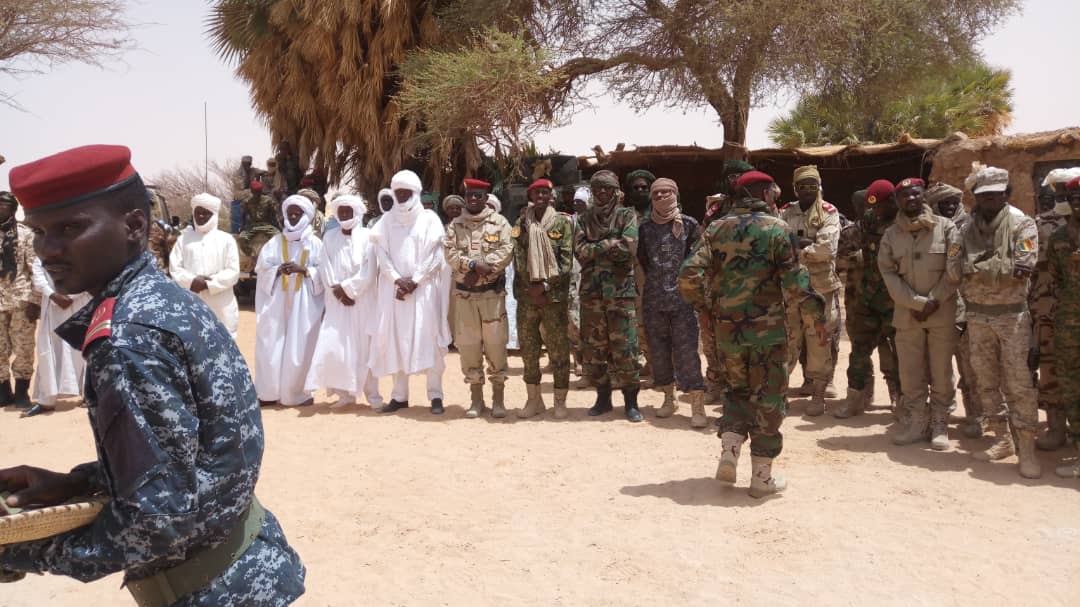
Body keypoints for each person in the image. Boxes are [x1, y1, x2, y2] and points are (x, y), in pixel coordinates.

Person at [0, 144, 305, 603]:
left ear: (134, 226)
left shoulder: (126, 337)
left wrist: (24, 550)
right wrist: (81, 484)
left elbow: (157, 524)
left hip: (209, 590)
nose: (48, 249)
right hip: (248, 570)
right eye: (39, 231)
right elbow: (189, 456)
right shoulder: (159, 298)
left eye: (70, 228)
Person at [679, 171, 825, 498]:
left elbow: (689, 274)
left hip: (728, 332)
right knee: (769, 399)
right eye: (773, 192)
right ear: (764, 193)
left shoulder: (715, 229)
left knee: (736, 392)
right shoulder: (777, 230)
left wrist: (704, 305)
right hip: (768, 333)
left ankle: (729, 451)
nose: (776, 197)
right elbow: (795, 282)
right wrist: (816, 316)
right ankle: (761, 477)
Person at [955, 166, 1041, 478]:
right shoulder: (965, 228)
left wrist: (974, 266)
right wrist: (990, 267)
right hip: (977, 316)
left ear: (1006, 194)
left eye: (996, 194)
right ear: (976, 198)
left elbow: (1022, 268)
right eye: (983, 195)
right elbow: (954, 270)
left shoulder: (1022, 224)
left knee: (1019, 383)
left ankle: (1027, 448)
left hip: (1012, 316)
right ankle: (1003, 439)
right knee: (985, 381)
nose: (990, 200)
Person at [877, 178, 961, 450]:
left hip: (941, 312)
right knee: (911, 372)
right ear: (898, 201)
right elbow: (887, 273)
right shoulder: (891, 235)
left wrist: (933, 300)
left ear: (923, 196)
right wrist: (916, 303)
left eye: (915, 194)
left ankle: (940, 423)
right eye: (904, 196)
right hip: (907, 314)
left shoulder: (946, 228)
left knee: (941, 370)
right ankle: (917, 421)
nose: (910, 200)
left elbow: (954, 269)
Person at [369, 170, 451, 415]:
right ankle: (399, 396)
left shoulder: (430, 219)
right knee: (396, 342)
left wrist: (415, 281)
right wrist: (396, 280)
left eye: (406, 193)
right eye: (398, 193)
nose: (402, 197)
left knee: (430, 341)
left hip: (423, 292)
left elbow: (436, 255)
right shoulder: (385, 221)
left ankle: (435, 395)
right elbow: (381, 255)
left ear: (416, 193)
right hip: (395, 294)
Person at [636, 177, 707, 427]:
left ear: (676, 194)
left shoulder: (689, 224)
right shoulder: (645, 228)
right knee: (659, 352)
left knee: (687, 351)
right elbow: (644, 260)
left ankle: (697, 403)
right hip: (654, 300)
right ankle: (669, 397)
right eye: (656, 194)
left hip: (683, 300)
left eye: (667, 193)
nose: (661, 197)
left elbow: (697, 259)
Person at [575, 170, 643, 422]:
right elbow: (580, 252)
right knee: (593, 350)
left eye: (607, 188)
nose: (602, 192)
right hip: (591, 295)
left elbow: (629, 250)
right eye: (598, 188)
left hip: (620, 294)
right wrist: (610, 243)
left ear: (615, 191)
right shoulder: (583, 218)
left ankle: (631, 403)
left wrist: (598, 247)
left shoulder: (627, 215)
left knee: (626, 348)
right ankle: (603, 398)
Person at [303, 195, 383, 409]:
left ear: (357, 213)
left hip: (363, 301)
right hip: (336, 302)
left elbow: (370, 269)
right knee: (336, 347)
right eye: (341, 211)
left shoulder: (369, 236)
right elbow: (324, 265)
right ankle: (344, 394)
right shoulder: (329, 237)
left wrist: (349, 290)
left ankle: (373, 396)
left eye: (348, 211)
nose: (345, 215)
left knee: (364, 348)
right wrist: (337, 290)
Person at [444, 178, 513, 418]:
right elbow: (450, 254)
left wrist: (486, 267)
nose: (473, 199)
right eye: (470, 195)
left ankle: (498, 400)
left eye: (478, 195)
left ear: (485, 198)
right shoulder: (455, 225)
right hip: (465, 297)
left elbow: (506, 250)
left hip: (491, 296)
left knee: (496, 346)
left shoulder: (499, 222)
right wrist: (471, 265)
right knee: (469, 347)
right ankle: (476, 400)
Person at [833, 180, 902, 419]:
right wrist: (860, 258)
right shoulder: (859, 228)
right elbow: (839, 259)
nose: (873, 211)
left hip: (894, 301)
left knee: (896, 352)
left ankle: (898, 398)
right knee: (859, 351)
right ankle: (856, 398)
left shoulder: (903, 227)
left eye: (877, 206)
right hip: (862, 300)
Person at [780, 165, 841, 415]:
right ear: (795, 188)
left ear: (819, 186)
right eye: (802, 186)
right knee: (786, 341)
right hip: (790, 289)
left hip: (820, 288)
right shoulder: (784, 211)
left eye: (812, 185)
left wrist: (799, 248)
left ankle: (818, 394)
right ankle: (780, 393)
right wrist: (809, 246)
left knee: (820, 341)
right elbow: (778, 244)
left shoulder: (829, 211)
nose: (807, 190)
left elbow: (827, 249)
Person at [253, 195, 325, 407]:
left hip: (304, 303)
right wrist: (277, 270)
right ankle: (268, 393)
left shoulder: (316, 244)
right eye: (290, 214)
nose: (293, 217)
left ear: (307, 216)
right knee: (270, 345)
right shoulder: (274, 242)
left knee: (300, 346)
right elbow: (261, 269)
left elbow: (324, 272)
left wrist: (304, 270)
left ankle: (296, 393)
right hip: (276, 301)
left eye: (297, 214)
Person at [512, 179, 575, 418]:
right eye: (536, 191)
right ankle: (534, 400)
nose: (541, 195)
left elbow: (566, 260)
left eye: (545, 192)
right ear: (530, 195)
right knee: (529, 350)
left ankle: (560, 401)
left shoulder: (562, 223)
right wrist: (532, 289)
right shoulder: (521, 223)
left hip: (554, 298)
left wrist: (546, 286)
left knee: (559, 350)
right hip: (528, 297)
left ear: (551, 196)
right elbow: (518, 259)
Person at [928, 182, 981, 437]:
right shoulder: (927, 229)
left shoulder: (971, 228)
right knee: (938, 368)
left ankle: (975, 415)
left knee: (969, 366)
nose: (950, 207)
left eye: (953, 202)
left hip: (966, 307)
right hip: (935, 307)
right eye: (944, 203)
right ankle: (941, 415)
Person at [1030, 170, 1073, 450]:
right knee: (1049, 368)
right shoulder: (1037, 225)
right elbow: (1030, 268)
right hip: (1046, 308)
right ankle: (1056, 429)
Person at [22, 257, 91, 417]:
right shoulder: (46, 244)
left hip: (80, 301)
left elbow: (90, 272)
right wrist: (53, 295)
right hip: (52, 305)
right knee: (49, 350)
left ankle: (88, 395)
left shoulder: (80, 242)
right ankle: (46, 400)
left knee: (84, 349)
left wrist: (71, 296)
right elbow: (37, 273)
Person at [168, 193, 241, 339]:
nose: (201, 216)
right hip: (191, 299)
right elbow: (175, 268)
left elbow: (233, 271)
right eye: (198, 212)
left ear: (213, 214)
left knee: (223, 342)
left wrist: (209, 284)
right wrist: (192, 281)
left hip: (221, 305)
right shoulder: (183, 239)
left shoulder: (226, 240)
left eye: (205, 213)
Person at [1047, 176, 1080, 477]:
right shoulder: (1058, 239)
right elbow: (1055, 281)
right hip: (1069, 327)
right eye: (1075, 197)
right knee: (1072, 389)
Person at [0, 191, 36, 408]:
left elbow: (35, 269)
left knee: (23, 346)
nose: (0, 210)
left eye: (5, 206)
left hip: (21, 298)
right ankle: (4, 392)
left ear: (13, 209)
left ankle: (22, 392)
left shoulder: (25, 235)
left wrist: (35, 300)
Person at [624, 169, 655, 382]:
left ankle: (659, 366)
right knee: (637, 320)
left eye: (645, 187)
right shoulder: (625, 215)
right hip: (632, 273)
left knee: (655, 320)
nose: (641, 190)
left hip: (656, 274)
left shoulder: (660, 212)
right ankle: (650, 361)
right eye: (636, 188)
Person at [238, 180, 280, 258]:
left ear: (261, 191)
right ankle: (252, 256)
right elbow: (243, 215)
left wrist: (279, 227)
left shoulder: (268, 200)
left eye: (258, 192)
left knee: (279, 237)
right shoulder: (247, 201)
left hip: (266, 225)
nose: (257, 194)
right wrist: (242, 226)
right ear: (252, 191)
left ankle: (272, 256)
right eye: (255, 192)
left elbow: (275, 215)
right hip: (252, 226)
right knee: (241, 239)